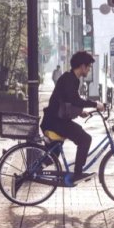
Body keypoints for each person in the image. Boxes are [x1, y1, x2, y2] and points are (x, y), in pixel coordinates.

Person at [40, 51, 105, 183]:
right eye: (88, 67)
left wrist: (80, 112)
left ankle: (30, 173)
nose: (89, 69)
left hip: (53, 120)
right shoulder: (70, 79)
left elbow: (67, 101)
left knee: (51, 156)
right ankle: (78, 174)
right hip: (55, 122)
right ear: (82, 66)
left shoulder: (70, 78)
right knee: (85, 139)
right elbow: (75, 100)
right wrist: (95, 104)